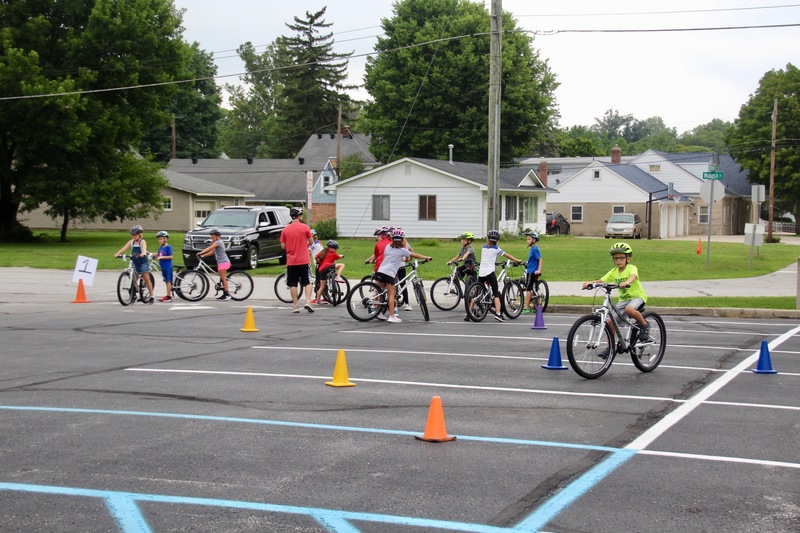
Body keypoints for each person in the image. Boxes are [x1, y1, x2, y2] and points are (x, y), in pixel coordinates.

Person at [582, 242, 653, 355]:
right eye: (615, 259)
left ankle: (644, 325)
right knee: (610, 322)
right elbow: (601, 281)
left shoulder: (631, 268)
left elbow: (633, 276)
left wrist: (627, 282)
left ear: (628, 258)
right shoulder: (613, 272)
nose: (618, 261)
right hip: (624, 301)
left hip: (637, 297)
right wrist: (590, 283)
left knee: (630, 309)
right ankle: (611, 348)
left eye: (621, 258)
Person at [374, 228, 431, 323]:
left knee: (382, 292)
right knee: (392, 294)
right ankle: (392, 316)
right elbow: (415, 255)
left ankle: (378, 311)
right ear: (402, 239)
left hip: (381, 270)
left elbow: (385, 257)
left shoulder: (388, 246)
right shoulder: (402, 251)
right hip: (389, 273)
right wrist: (427, 257)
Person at [468, 230, 522, 322]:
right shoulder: (496, 249)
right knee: (496, 293)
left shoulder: (483, 247)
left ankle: (469, 313)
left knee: (477, 292)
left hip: (481, 272)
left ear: (488, 239)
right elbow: (507, 255)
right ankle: (498, 313)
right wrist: (517, 260)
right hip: (489, 272)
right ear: (497, 240)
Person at [280, 206, 315, 313]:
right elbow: (311, 242)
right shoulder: (305, 227)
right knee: (307, 281)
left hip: (291, 261)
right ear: (299, 216)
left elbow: (283, 246)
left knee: (293, 283)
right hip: (304, 259)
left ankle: (295, 305)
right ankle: (308, 302)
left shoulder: (285, 229)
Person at [114, 225, 155, 304]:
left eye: (135, 235)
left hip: (142, 262)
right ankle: (133, 295)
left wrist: (143, 253)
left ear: (139, 235)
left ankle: (152, 296)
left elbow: (144, 249)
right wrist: (117, 254)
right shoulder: (131, 242)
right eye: (132, 235)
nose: (134, 236)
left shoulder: (142, 242)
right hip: (135, 262)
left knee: (146, 278)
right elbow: (124, 248)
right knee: (133, 279)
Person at [197, 228, 232, 300]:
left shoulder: (218, 242)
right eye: (211, 237)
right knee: (222, 278)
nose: (212, 238)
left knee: (223, 278)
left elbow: (209, 248)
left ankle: (227, 294)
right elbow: (212, 252)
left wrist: (201, 252)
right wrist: (203, 256)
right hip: (220, 262)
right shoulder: (216, 243)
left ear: (218, 237)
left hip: (224, 262)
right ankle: (224, 293)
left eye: (213, 237)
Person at [312, 239, 345, 304]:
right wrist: (342, 256)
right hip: (328, 266)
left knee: (322, 286)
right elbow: (338, 256)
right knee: (342, 265)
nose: (335, 250)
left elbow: (316, 256)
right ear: (330, 248)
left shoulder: (323, 252)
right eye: (334, 248)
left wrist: (318, 261)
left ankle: (318, 301)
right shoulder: (333, 253)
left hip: (321, 270)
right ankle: (338, 276)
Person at [522, 231, 543, 313]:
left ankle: (526, 307)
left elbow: (540, 260)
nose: (527, 240)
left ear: (534, 240)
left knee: (528, 289)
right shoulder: (533, 249)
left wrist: (539, 270)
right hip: (531, 270)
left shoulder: (535, 249)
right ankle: (538, 306)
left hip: (531, 272)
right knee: (535, 288)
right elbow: (533, 260)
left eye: (529, 239)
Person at [154, 230, 174, 302]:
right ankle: (168, 294)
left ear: (165, 239)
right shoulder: (161, 247)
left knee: (168, 281)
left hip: (167, 266)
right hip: (163, 267)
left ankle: (169, 296)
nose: (159, 241)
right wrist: (148, 253)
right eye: (159, 239)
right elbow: (158, 254)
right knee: (166, 281)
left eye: (161, 239)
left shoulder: (168, 247)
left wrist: (161, 257)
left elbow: (171, 256)